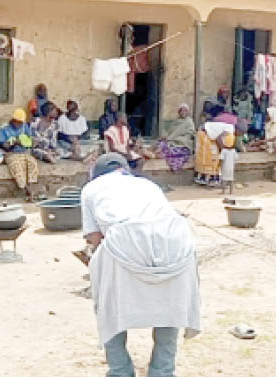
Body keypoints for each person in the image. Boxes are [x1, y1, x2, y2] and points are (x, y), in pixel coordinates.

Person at [81, 153, 200, 377]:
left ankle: (120, 371)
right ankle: (162, 371)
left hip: (125, 241)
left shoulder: (92, 188)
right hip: (176, 241)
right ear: (124, 170)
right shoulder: (146, 184)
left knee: (109, 303)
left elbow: (94, 238)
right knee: (170, 306)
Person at [0, 108, 38, 199]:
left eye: (21, 122)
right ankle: (26, 188)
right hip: (11, 153)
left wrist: (32, 142)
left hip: (24, 152)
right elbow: (4, 146)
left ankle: (31, 186)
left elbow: (30, 139)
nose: (20, 125)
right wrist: (14, 142)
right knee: (16, 165)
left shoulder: (24, 126)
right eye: (18, 122)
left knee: (32, 162)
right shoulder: (4, 129)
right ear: (13, 120)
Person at [157, 103, 196, 172]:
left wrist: (176, 138)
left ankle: (166, 156)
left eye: (185, 111)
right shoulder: (176, 121)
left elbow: (191, 133)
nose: (183, 112)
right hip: (172, 140)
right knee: (161, 143)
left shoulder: (189, 121)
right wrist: (167, 137)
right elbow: (170, 132)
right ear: (179, 112)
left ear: (187, 112)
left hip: (183, 142)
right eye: (182, 110)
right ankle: (159, 154)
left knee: (175, 150)